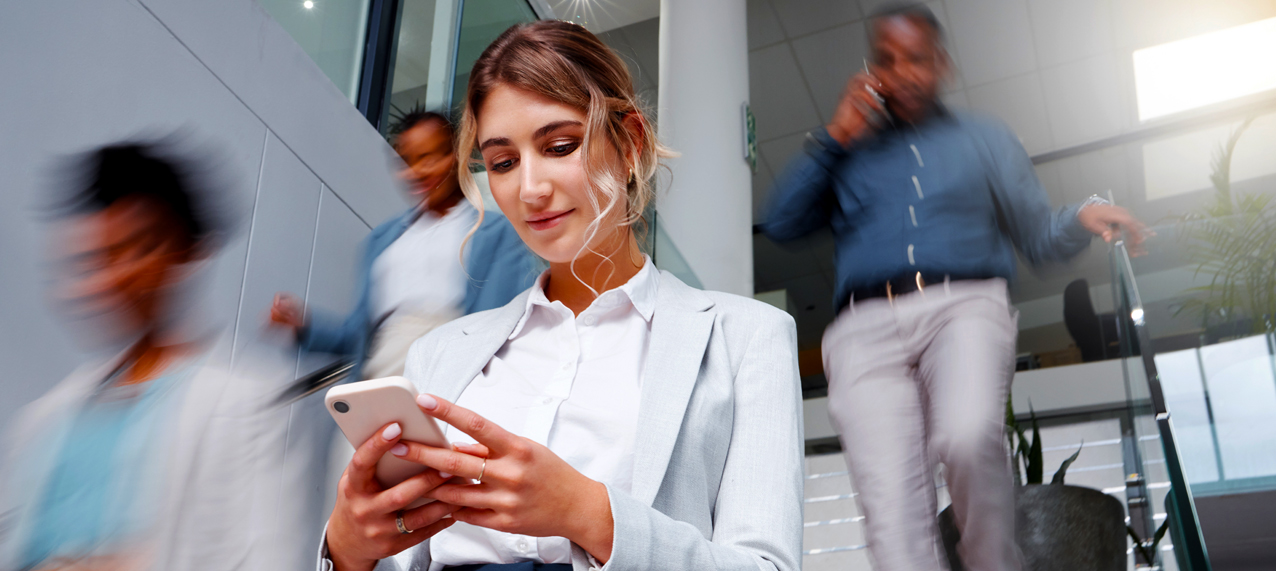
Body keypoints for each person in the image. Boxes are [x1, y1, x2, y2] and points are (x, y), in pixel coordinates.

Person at [319, 20, 804, 571]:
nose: (529, 189)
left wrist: (589, 514)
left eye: (560, 146)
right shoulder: (442, 351)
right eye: (502, 162)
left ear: (630, 145)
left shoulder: (746, 338)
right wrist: (347, 553)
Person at [762, 4, 1150, 571]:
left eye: (917, 59)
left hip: (963, 306)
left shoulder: (985, 137)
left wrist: (1081, 215)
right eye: (888, 62)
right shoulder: (850, 151)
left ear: (941, 63)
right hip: (863, 331)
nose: (904, 74)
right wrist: (835, 137)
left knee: (968, 437)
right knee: (893, 520)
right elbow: (781, 222)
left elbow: (1037, 233)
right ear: (873, 70)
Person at [0, 143, 279, 571]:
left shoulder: (250, 406)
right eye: (102, 256)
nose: (118, 274)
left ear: (188, 251)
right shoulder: (45, 419)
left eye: (139, 247)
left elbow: (274, 556)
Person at [270, 108, 536, 380]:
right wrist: (304, 327)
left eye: (429, 157)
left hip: (446, 383)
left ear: (456, 156)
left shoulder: (494, 232)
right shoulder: (382, 241)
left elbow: (500, 325)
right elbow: (358, 336)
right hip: (378, 383)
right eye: (406, 162)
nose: (416, 172)